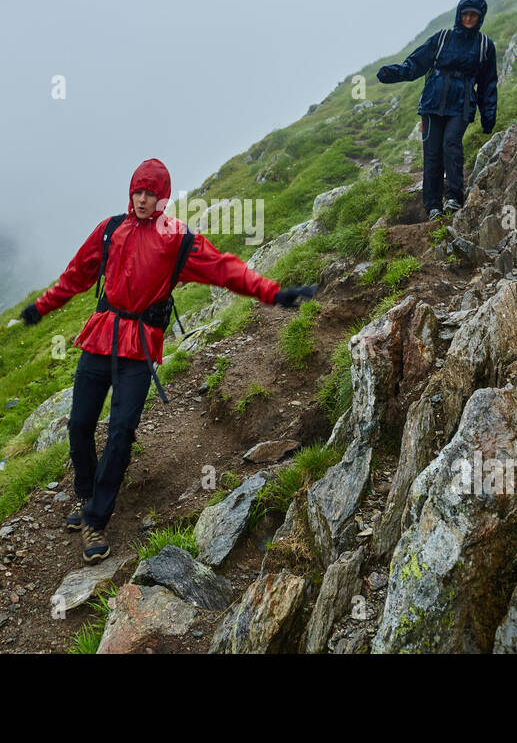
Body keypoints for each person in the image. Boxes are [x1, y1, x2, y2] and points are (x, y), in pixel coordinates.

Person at [18, 157, 316, 564]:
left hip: (139, 345)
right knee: (80, 423)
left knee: (122, 429)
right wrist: (42, 306)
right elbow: (76, 276)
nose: (142, 199)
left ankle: (96, 518)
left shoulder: (176, 238)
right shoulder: (109, 231)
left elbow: (225, 270)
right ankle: (86, 493)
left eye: (151, 193)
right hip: (100, 336)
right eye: (137, 191)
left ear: (162, 197)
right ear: (130, 192)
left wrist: (273, 293)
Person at [377, 0, 498, 221]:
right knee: (432, 154)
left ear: (480, 17)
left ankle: (453, 197)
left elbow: (488, 83)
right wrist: (392, 73)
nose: (469, 18)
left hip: (461, 106)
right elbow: (415, 64)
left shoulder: (484, 46)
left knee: (451, 145)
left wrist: (488, 115)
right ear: (459, 14)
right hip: (432, 105)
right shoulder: (442, 38)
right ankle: (433, 205)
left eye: (474, 15)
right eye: (466, 14)